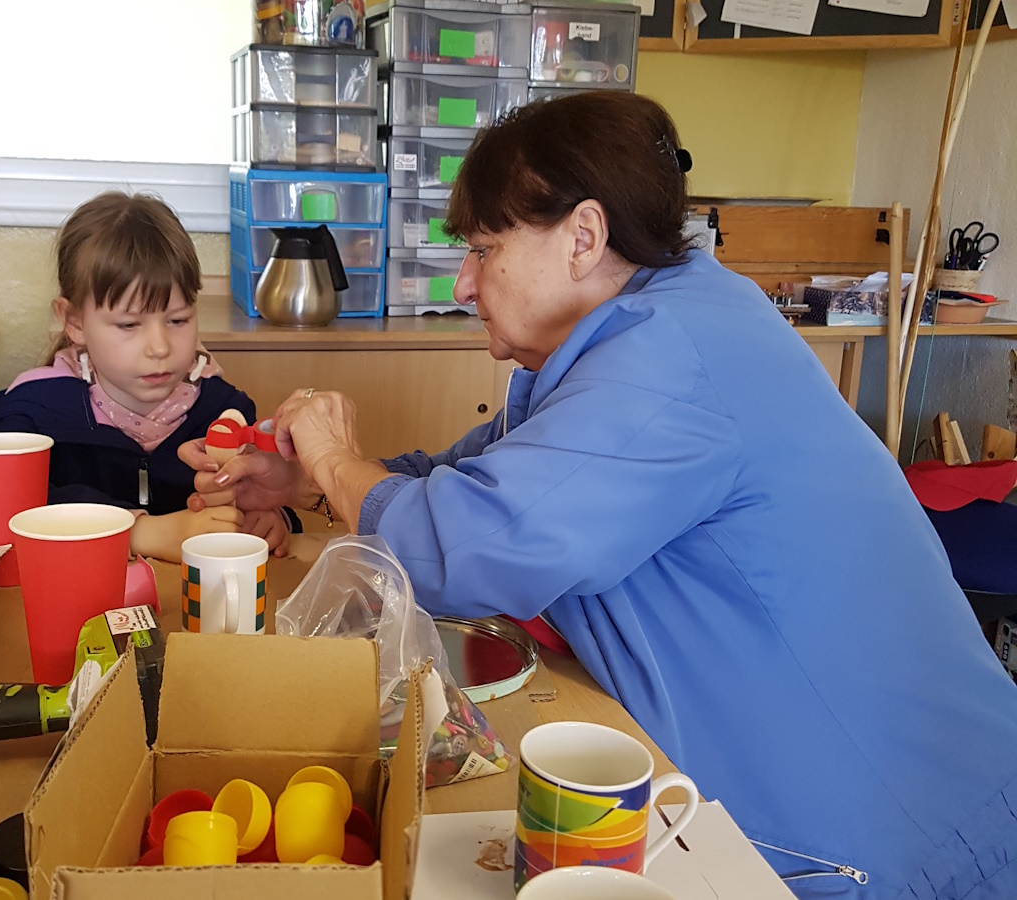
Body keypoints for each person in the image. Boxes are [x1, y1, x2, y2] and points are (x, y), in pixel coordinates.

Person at [182, 92, 1017, 898]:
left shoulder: (671, 358)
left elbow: (472, 545)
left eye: (483, 250)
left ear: (583, 235)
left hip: (901, 839)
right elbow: (474, 480)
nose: (466, 285)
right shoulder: (642, 330)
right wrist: (309, 479)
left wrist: (332, 460)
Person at [0, 191, 296, 563]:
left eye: (178, 320)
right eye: (128, 324)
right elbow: (8, 516)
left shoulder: (225, 411)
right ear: (74, 321)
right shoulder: (33, 413)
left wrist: (272, 521)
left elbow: (269, 497)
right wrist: (138, 531)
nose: (159, 347)